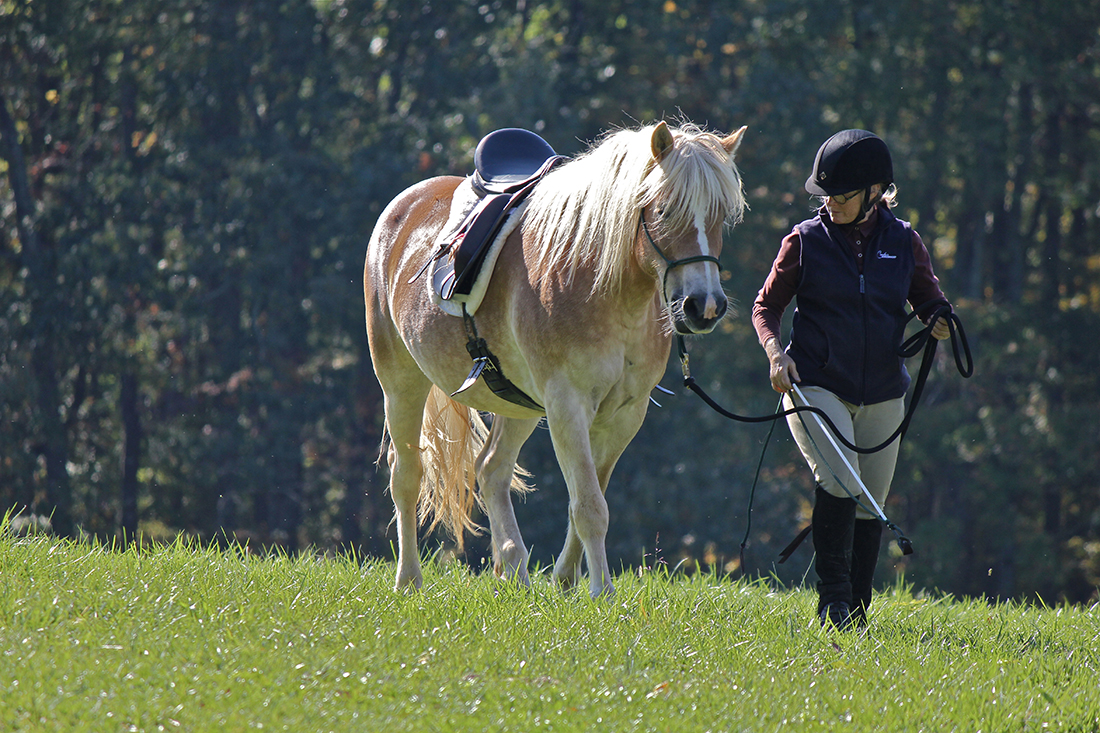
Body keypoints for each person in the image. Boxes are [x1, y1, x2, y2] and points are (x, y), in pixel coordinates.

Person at [752, 129, 952, 630]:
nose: (831, 205)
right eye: (827, 196)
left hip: (884, 389)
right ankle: (833, 603)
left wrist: (941, 320)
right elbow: (766, 306)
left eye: (841, 196)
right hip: (815, 383)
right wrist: (776, 354)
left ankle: (857, 612)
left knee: (871, 502)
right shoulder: (804, 241)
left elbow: (929, 299)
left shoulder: (905, 242)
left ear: (874, 192)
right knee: (839, 480)